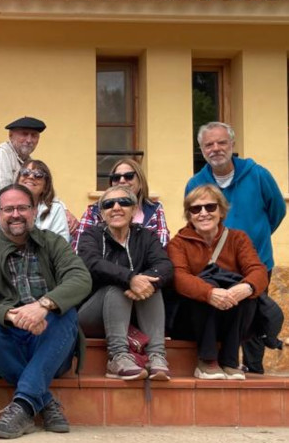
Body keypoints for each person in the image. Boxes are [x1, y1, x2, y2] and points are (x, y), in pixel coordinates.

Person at [0, 184, 91, 440]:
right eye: (8, 209)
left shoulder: (53, 243)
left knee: (66, 315)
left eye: (23, 207)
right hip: (7, 345)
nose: (16, 214)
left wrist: (43, 305)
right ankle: (43, 402)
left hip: (49, 343)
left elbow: (80, 278)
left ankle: (21, 407)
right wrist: (12, 316)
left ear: (34, 211)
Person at [186, 121, 286, 374]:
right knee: (223, 314)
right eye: (209, 144)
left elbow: (277, 210)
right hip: (216, 267)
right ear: (201, 149)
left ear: (232, 144)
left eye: (221, 142)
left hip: (256, 261)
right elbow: (193, 221)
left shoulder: (259, 175)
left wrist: (256, 236)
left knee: (254, 316)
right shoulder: (196, 182)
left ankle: (253, 370)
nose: (216, 148)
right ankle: (223, 363)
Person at [167, 185, 268, 380]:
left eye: (210, 207)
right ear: (189, 215)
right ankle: (207, 361)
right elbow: (179, 278)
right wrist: (210, 293)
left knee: (247, 292)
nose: (203, 213)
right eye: (196, 209)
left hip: (230, 316)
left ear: (221, 211)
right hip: (191, 321)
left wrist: (244, 288)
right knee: (204, 285)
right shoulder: (177, 243)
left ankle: (230, 361)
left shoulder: (238, 238)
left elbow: (258, 270)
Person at [76, 186, 173, 381]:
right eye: (108, 204)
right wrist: (130, 279)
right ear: (102, 213)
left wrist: (144, 283)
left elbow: (164, 265)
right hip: (91, 314)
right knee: (119, 287)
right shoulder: (91, 236)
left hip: (134, 315)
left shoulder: (146, 236)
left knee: (151, 286)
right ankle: (117, 356)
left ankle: (156, 356)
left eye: (124, 202)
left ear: (134, 210)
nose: (116, 207)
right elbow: (91, 262)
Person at [73, 158, 169, 250]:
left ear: (140, 182)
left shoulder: (154, 209)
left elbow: (162, 247)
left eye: (129, 176)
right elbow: (79, 248)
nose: (122, 180)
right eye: (116, 177)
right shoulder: (94, 210)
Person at [0, 160, 69, 243]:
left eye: (38, 175)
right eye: (25, 172)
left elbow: (62, 244)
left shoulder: (55, 209)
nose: (31, 177)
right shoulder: (2, 209)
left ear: (45, 187)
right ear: (18, 180)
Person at [0, 116, 45, 197]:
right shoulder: (1, 153)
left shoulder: (29, 161)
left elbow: (45, 190)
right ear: (10, 135)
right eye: (24, 134)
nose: (29, 140)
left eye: (34, 135)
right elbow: (4, 194)